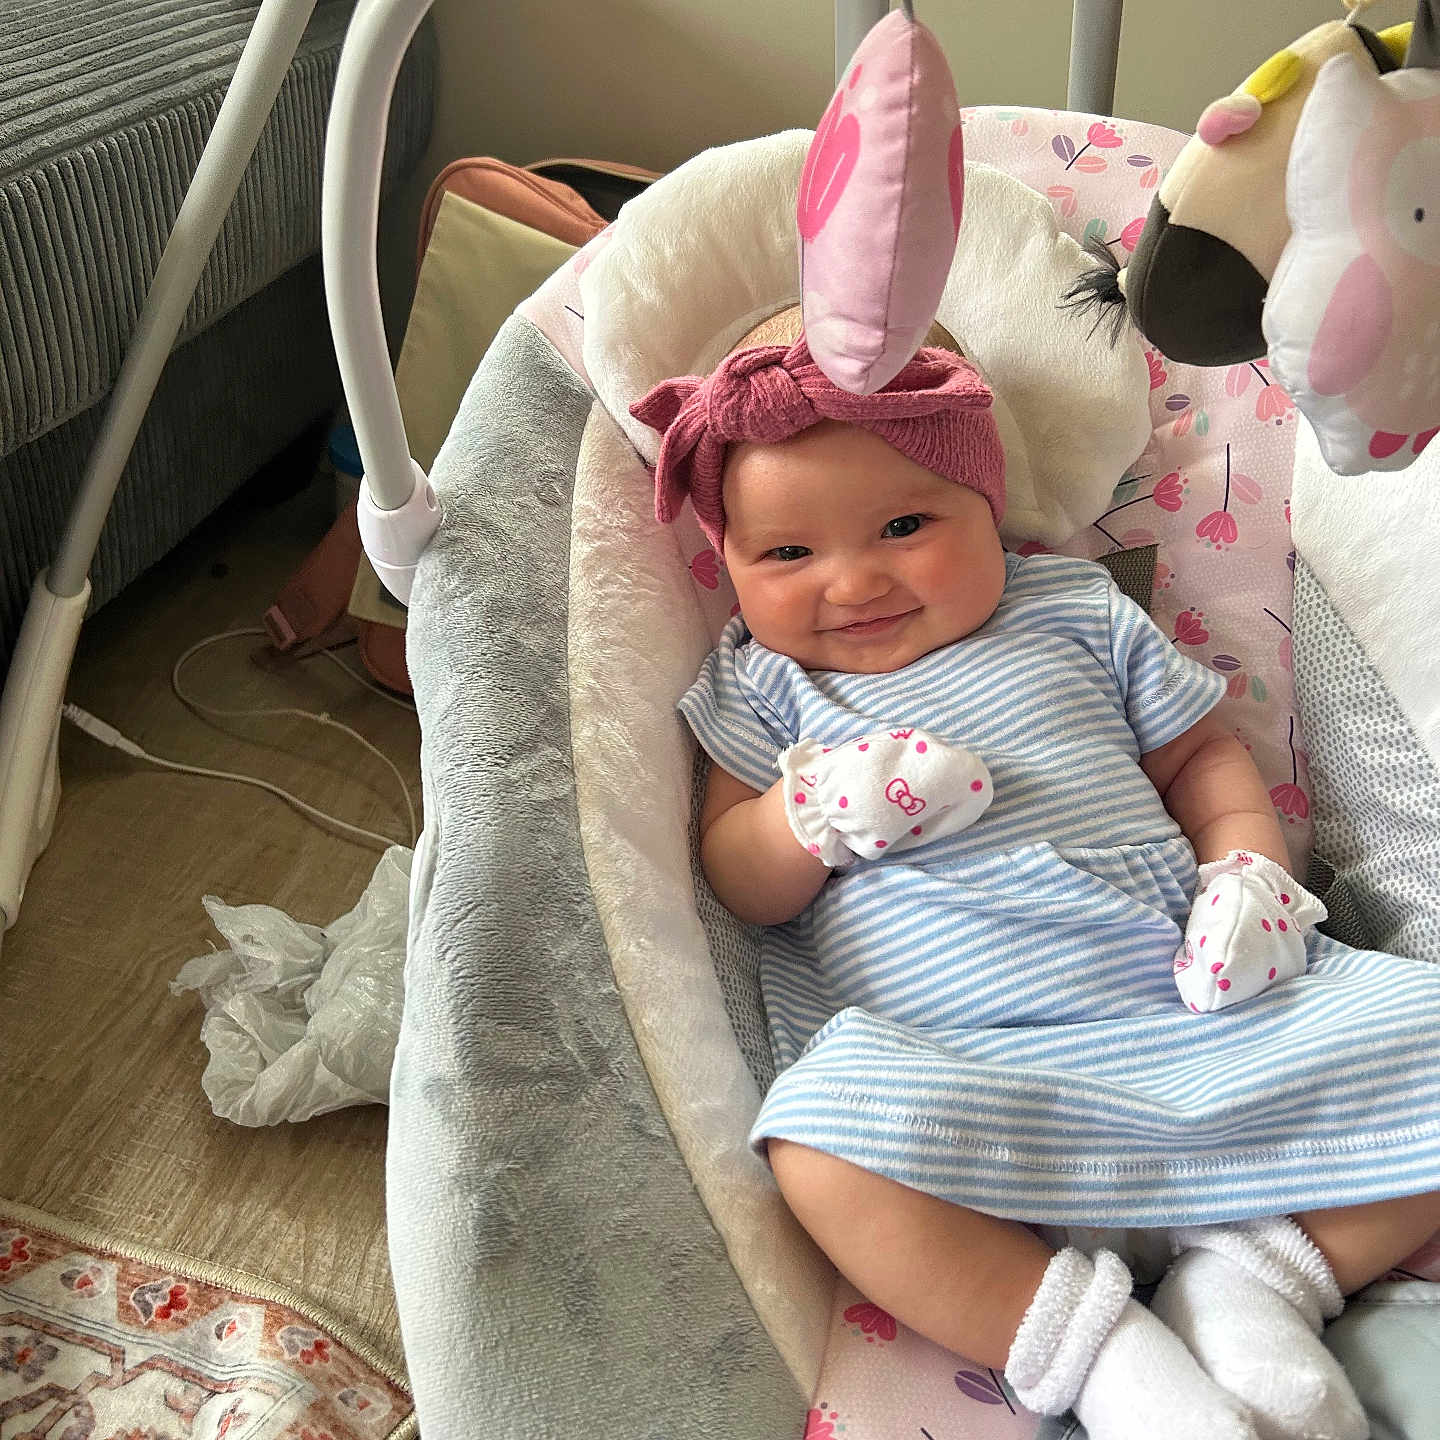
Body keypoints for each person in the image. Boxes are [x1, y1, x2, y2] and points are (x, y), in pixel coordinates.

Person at [631, 313, 1440, 1440]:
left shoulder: (1070, 610)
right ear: (728, 565)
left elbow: (1203, 758)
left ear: (988, 507)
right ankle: (1099, 1355)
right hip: (974, 1075)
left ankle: (1259, 1273)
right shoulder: (765, 688)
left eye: (905, 524)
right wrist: (808, 815)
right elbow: (737, 877)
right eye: (787, 554)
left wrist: (1246, 866)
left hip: (1192, 1013)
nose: (854, 579)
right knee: (816, 1141)